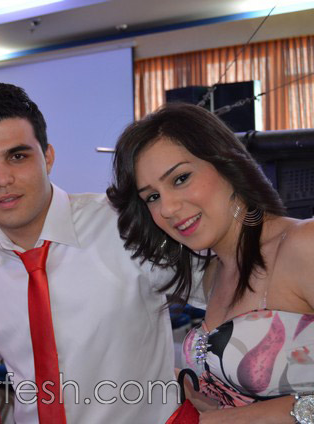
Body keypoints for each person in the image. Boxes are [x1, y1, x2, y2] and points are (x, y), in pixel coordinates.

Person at [0, 82, 196, 423]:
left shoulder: (124, 225)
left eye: (17, 156)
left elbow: (226, 284)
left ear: (48, 157)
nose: (2, 178)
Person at [107, 102, 314, 423]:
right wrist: (211, 397)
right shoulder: (213, 275)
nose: (168, 209)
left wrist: (246, 417)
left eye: (180, 178)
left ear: (226, 164)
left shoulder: (304, 244)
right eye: (152, 197)